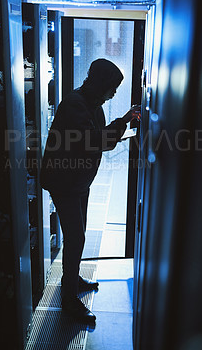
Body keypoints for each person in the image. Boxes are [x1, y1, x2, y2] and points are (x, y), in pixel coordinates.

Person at [40, 59, 140, 324]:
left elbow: (99, 139)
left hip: (77, 181)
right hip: (65, 183)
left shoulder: (92, 105)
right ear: (100, 84)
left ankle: (71, 279)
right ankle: (69, 299)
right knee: (76, 238)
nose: (114, 94)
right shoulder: (75, 104)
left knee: (78, 234)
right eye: (112, 88)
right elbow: (96, 141)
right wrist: (125, 120)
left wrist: (123, 123)